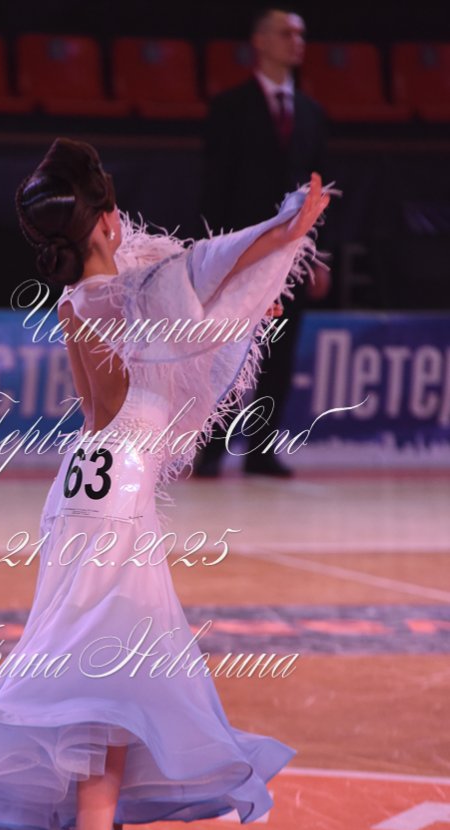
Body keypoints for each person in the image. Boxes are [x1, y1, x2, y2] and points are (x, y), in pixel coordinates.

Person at [0, 137, 338, 830]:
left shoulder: (88, 295)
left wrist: (262, 257)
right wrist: (282, 234)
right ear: (107, 221)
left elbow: (199, 284)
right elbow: (201, 279)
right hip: (109, 503)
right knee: (111, 686)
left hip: (87, 494)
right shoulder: (125, 292)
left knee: (117, 676)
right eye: (112, 211)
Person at [196, 6, 332, 478]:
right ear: (260, 41)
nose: (297, 41)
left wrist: (317, 254)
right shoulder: (229, 108)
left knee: (279, 350)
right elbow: (215, 186)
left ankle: (261, 450)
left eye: (301, 34)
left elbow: (321, 190)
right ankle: (210, 449)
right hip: (241, 251)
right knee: (226, 350)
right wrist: (214, 254)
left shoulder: (312, 113)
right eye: (285, 32)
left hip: (291, 256)